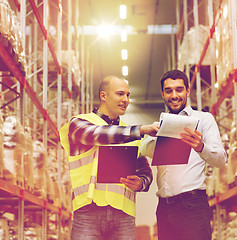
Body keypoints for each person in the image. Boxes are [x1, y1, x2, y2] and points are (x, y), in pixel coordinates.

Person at [60, 75, 159, 240]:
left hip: (123, 215)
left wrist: (141, 182)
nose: (126, 99)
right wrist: (141, 129)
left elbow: (146, 172)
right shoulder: (79, 123)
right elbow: (98, 134)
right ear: (103, 96)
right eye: (120, 94)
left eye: (128, 95)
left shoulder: (129, 131)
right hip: (87, 212)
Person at [140, 69, 227, 240]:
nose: (174, 95)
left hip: (192, 206)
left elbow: (221, 160)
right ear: (162, 94)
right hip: (164, 207)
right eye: (168, 90)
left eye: (179, 89)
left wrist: (201, 147)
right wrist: (158, 136)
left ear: (187, 91)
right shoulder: (159, 125)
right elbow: (144, 149)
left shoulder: (204, 119)